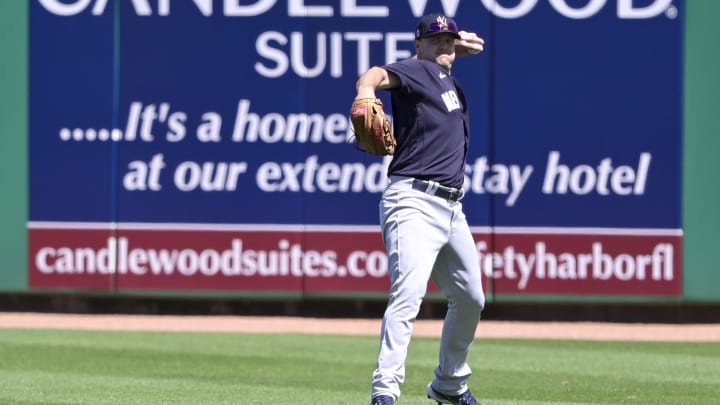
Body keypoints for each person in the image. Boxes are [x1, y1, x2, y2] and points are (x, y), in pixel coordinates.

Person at [353, 13, 487, 405]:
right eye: (436, 40)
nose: (444, 45)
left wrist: (453, 48)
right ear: (418, 45)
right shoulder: (414, 69)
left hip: (451, 208)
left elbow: (447, 53)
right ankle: (385, 392)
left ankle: (450, 385)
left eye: (449, 39)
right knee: (408, 294)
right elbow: (376, 75)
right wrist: (365, 93)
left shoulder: (446, 77)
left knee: (471, 298)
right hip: (412, 201)